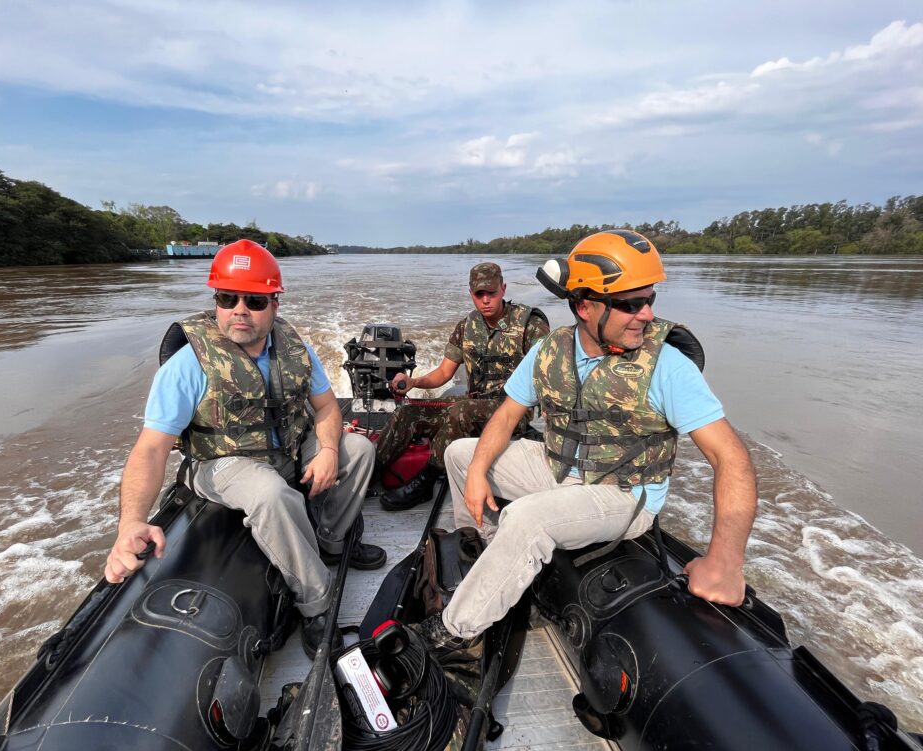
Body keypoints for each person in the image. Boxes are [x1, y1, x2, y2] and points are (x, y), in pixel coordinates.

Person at [417, 229, 758, 648]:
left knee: (527, 519)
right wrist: (477, 473)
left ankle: (452, 631)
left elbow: (731, 458)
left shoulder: (666, 365)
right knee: (460, 454)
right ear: (584, 306)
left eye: (650, 300)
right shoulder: (550, 349)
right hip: (558, 466)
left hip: (622, 494)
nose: (646, 315)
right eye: (631, 304)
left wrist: (725, 561)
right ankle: (480, 545)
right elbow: (507, 415)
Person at [103, 240, 386, 659]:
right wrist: (130, 523)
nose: (239, 310)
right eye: (226, 298)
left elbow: (327, 408)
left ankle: (332, 540)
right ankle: (316, 602)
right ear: (215, 301)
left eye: (254, 301)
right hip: (223, 461)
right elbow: (150, 450)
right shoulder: (189, 364)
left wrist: (327, 450)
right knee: (269, 492)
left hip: (285, 446)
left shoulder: (295, 349)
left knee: (358, 448)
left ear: (274, 305)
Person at [375, 262, 549, 510]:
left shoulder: (529, 324)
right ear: (471, 294)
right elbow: (444, 372)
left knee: (461, 411)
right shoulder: (466, 327)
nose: (486, 299)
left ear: (503, 289)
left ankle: (426, 481)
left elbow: (546, 371)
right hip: (474, 403)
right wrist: (414, 382)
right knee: (408, 413)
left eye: (492, 292)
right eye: (480, 294)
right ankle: (371, 472)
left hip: (511, 411)